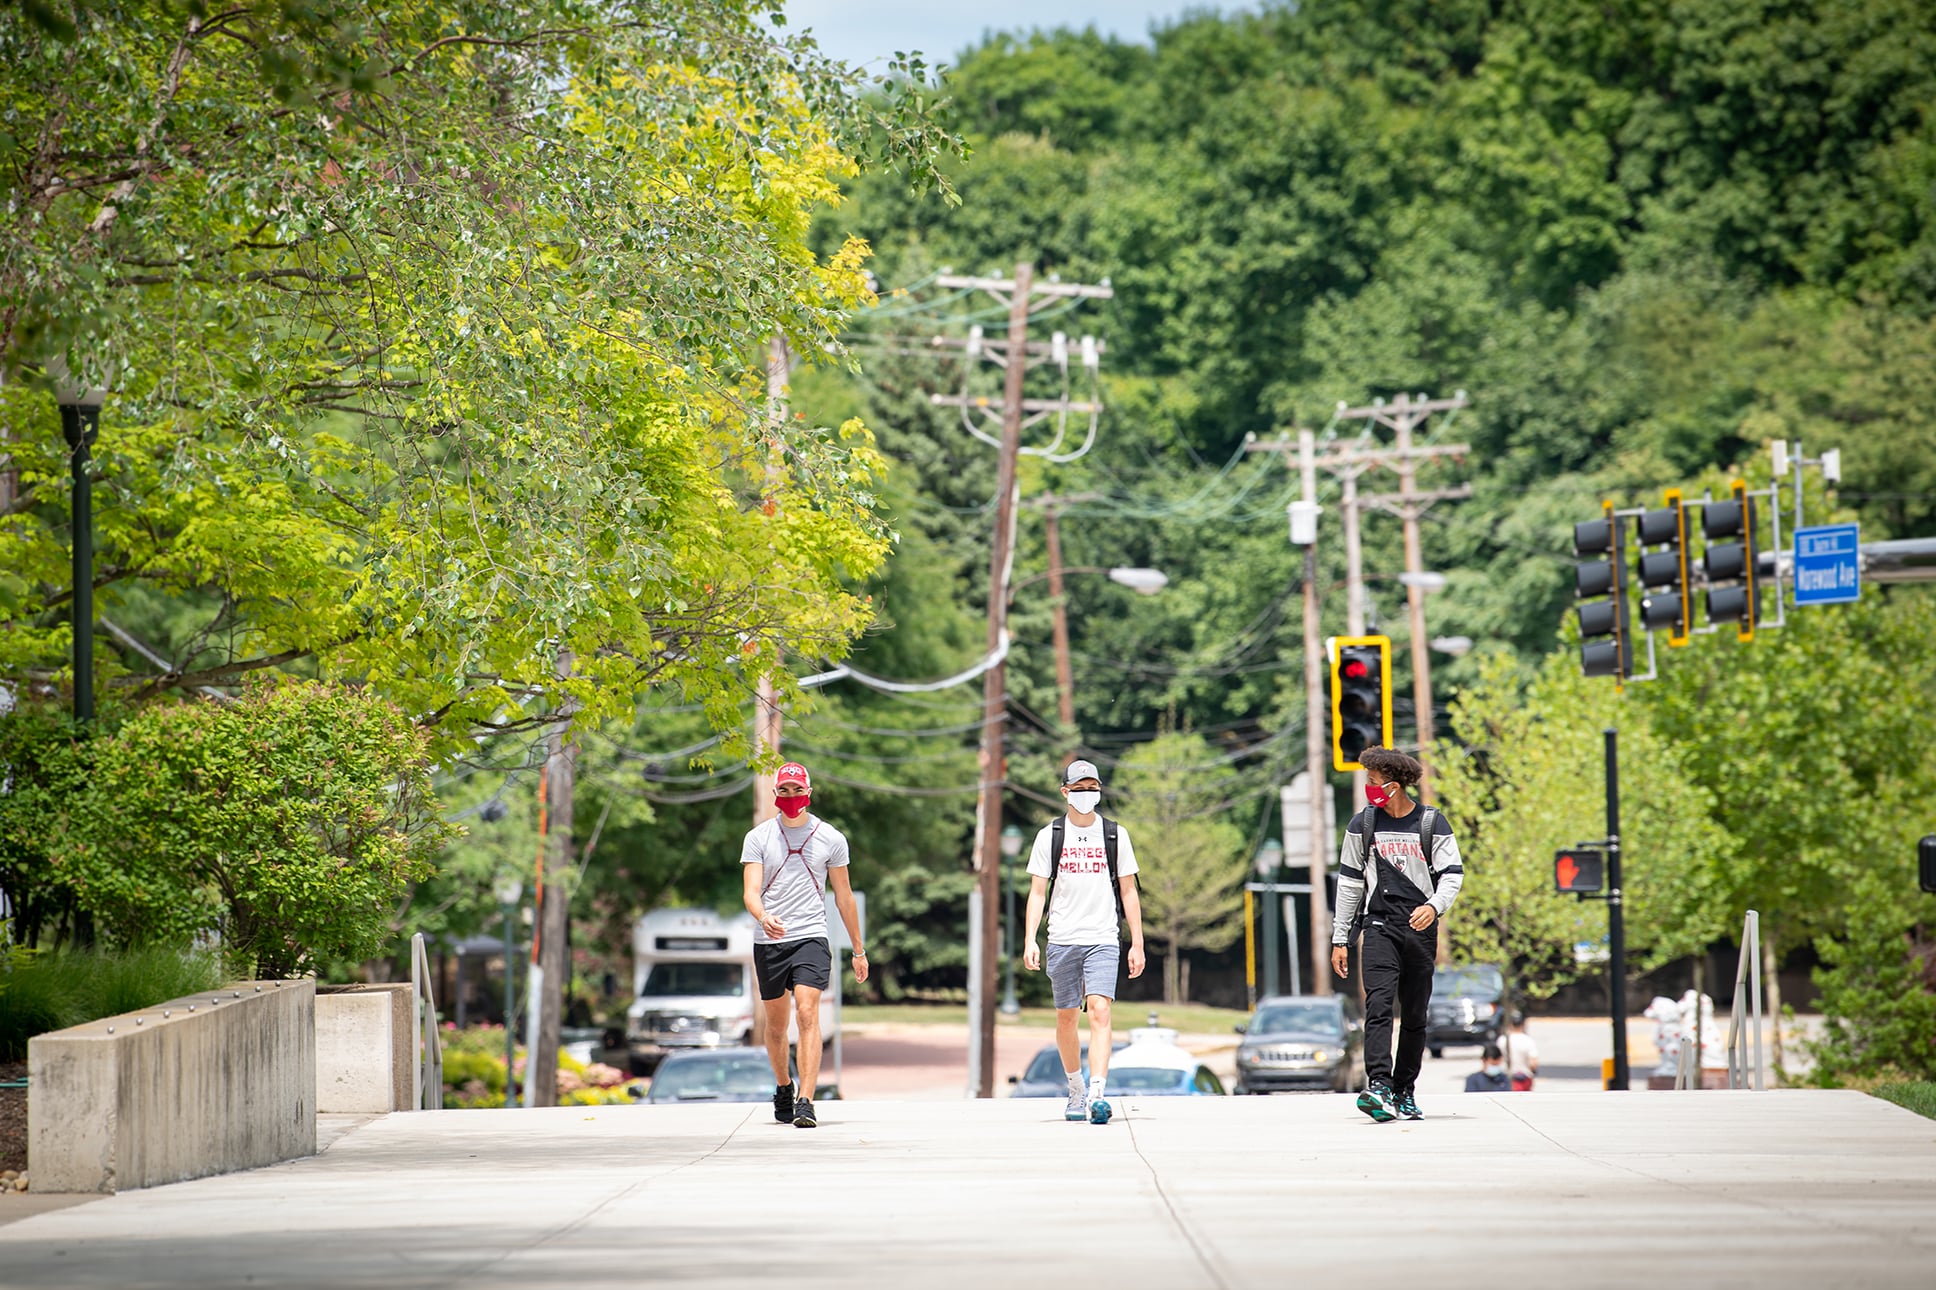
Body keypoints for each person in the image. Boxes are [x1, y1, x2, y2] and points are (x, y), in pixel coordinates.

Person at [1329, 746, 1465, 1124]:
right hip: (1377, 927)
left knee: (1416, 1013)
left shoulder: (1431, 824)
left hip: (1419, 929)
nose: (1368, 788)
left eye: (1373, 782)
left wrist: (1433, 906)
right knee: (1378, 1006)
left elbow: (1453, 873)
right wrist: (1340, 938)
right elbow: (1349, 884)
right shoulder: (1362, 825)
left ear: (1393, 786)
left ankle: (1405, 1089)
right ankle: (1379, 1085)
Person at [740, 762, 867, 1129]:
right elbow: (750, 891)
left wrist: (858, 950)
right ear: (775, 794)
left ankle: (806, 1101)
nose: (792, 797)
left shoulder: (831, 838)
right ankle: (783, 1085)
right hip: (770, 939)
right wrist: (764, 917)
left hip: (812, 935)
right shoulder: (759, 837)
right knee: (776, 1026)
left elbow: (844, 897)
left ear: (808, 792)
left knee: (808, 1014)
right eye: (785, 791)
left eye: (798, 790)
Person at [1022, 759, 1147, 1125]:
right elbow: (1036, 893)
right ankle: (1074, 1088)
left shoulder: (1114, 835)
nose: (1087, 795)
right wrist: (1030, 939)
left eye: (1092, 788)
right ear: (1065, 792)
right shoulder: (1050, 836)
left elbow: (1129, 892)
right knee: (1065, 1018)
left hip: (1103, 937)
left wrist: (1136, 943)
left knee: (1100, 1010)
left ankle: (1096, 1094)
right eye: (1079, 789)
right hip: (1062, 938)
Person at [1501, 1011, 1539, 1091]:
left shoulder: (1502, 1040)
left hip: (1506, 1078)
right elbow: (1534, 1063)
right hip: (1524, 1078)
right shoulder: (1528, 1041)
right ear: (1523, 1024)